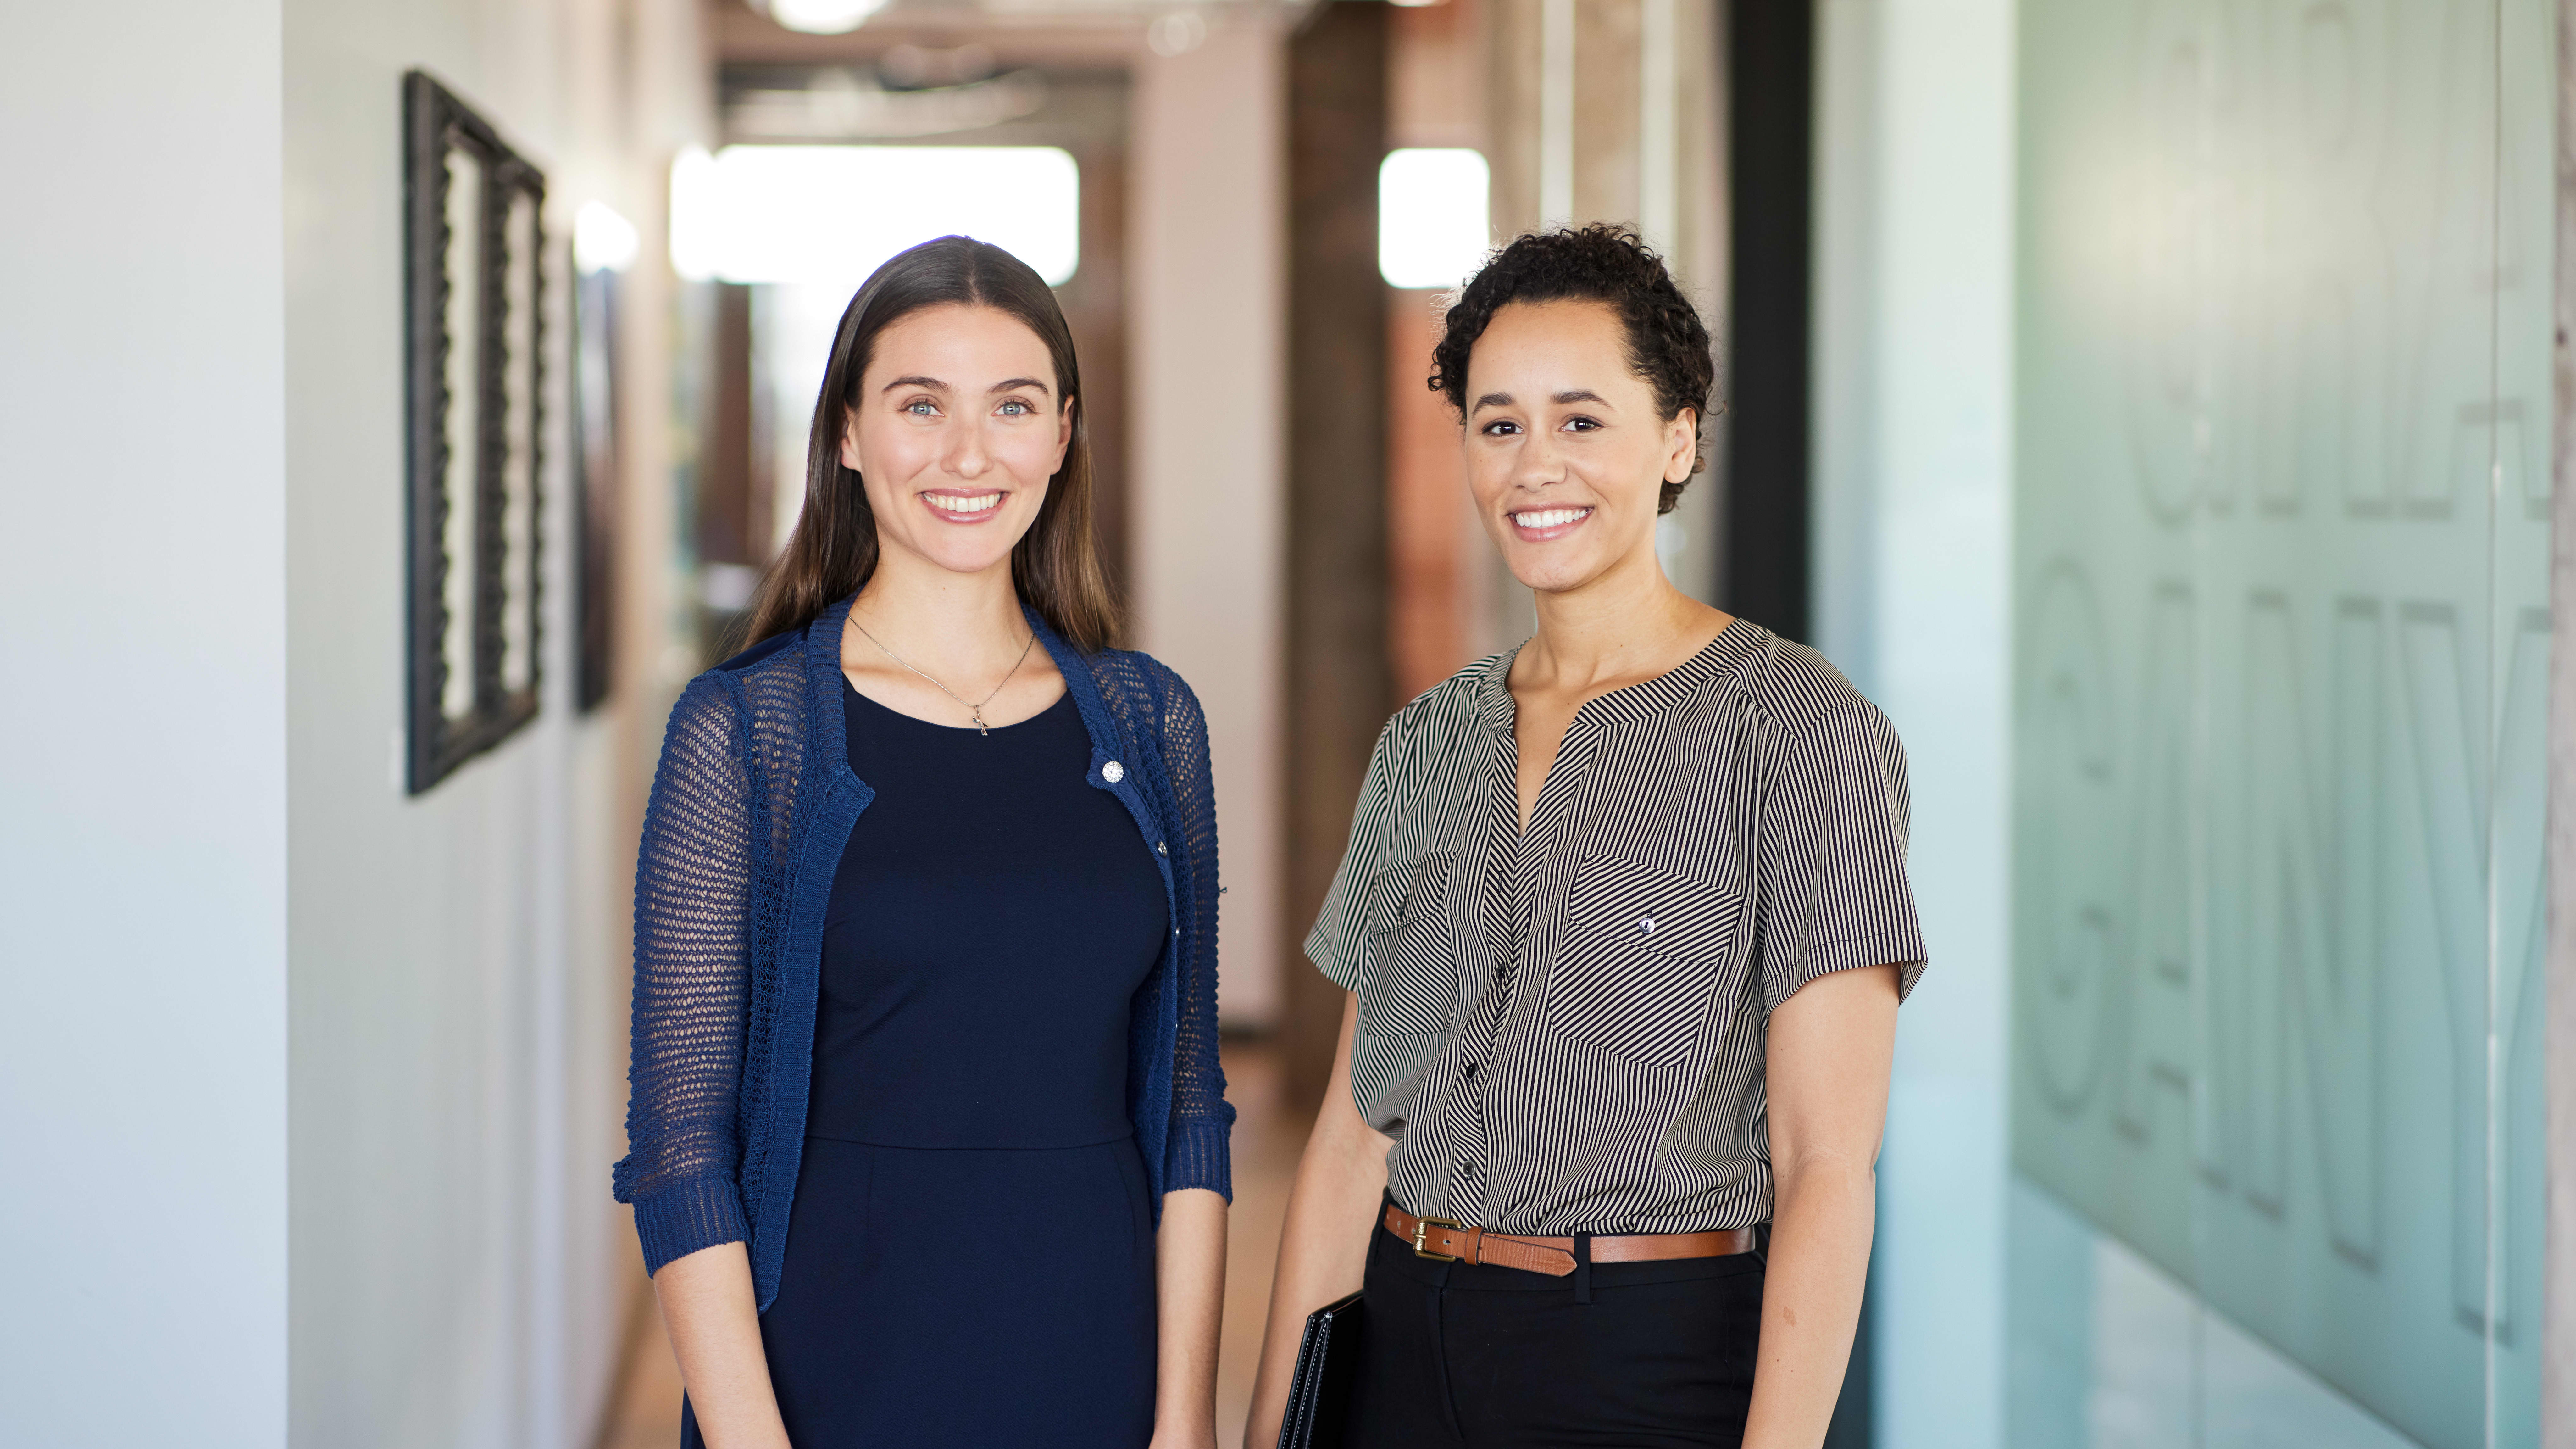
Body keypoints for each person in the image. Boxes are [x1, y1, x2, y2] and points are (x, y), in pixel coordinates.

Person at [1246, 224, 1926, 1449]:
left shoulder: (1801, 732)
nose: (1532, 466)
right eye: (1497, 424)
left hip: (1643, 1355)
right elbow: (1352, 1132)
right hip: (1397, 1335)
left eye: (1580, 420)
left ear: (1677, 437)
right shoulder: (1426, 740)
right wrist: (1272, 1433)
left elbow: (1825, 1161)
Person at [614, 235, 1233, 1449]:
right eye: (919, 405)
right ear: (848, 431)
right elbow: (683, 1140)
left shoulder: (1154, 722)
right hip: (828, 1372)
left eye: (1011, 406)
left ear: (1062, 434)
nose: (968, 454)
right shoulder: (748, 733)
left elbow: (1189, 1104)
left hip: (1094, 1357)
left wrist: (1184, 1421)